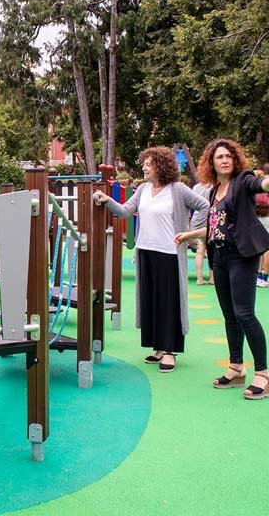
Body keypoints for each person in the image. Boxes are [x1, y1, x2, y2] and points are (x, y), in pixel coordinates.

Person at [92, 146, 209, 373]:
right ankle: (158, 347)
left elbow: (204, 206)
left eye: (148, 163)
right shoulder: (143, 189)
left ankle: (170, 350)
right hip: (145, 250)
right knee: (151, 301)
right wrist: (107, 200)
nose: (144, 167)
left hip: (170, 253)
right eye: (144, 163)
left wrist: (190, 234)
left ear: (161, 166)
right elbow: (126, 211)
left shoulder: (178, 189)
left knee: (169, 301)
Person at [198, 138, 269, 399]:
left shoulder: (243, 180)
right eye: (219, 157)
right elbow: (216, 226)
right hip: (220, 257)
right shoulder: (215, 191)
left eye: (228, 156)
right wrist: (189, 234)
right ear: (211, 163)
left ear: (235, 160)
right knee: (229, 315)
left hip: (241, 256)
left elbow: (258, 184)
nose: (224, 160)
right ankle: (236, 367)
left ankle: (264, 375)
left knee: (244, 313)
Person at [192, 181, 214, 285]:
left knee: (200, 249)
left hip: (197, 217)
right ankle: (212, 278)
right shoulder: (215, 186)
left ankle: (199, 278)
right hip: (210, 216)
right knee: (211, 248)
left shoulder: (196, 187)